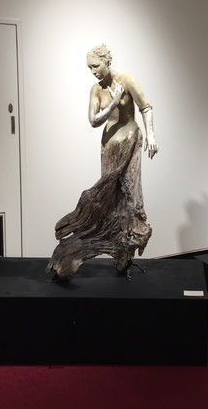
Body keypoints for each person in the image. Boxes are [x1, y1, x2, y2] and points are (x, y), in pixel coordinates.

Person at [48, 44, 158, 279]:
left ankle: (126, 248)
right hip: (109, 145)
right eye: (89, 68)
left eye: (96, 66)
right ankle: (105, 239)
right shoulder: (96, 90)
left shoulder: (127, 80)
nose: (93, 71)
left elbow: (146, 107)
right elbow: (93, 121)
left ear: (107, 62)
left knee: (130, 193)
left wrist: (151, 135)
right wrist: (113, 102)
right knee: (108, 194)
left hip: (130, 140)